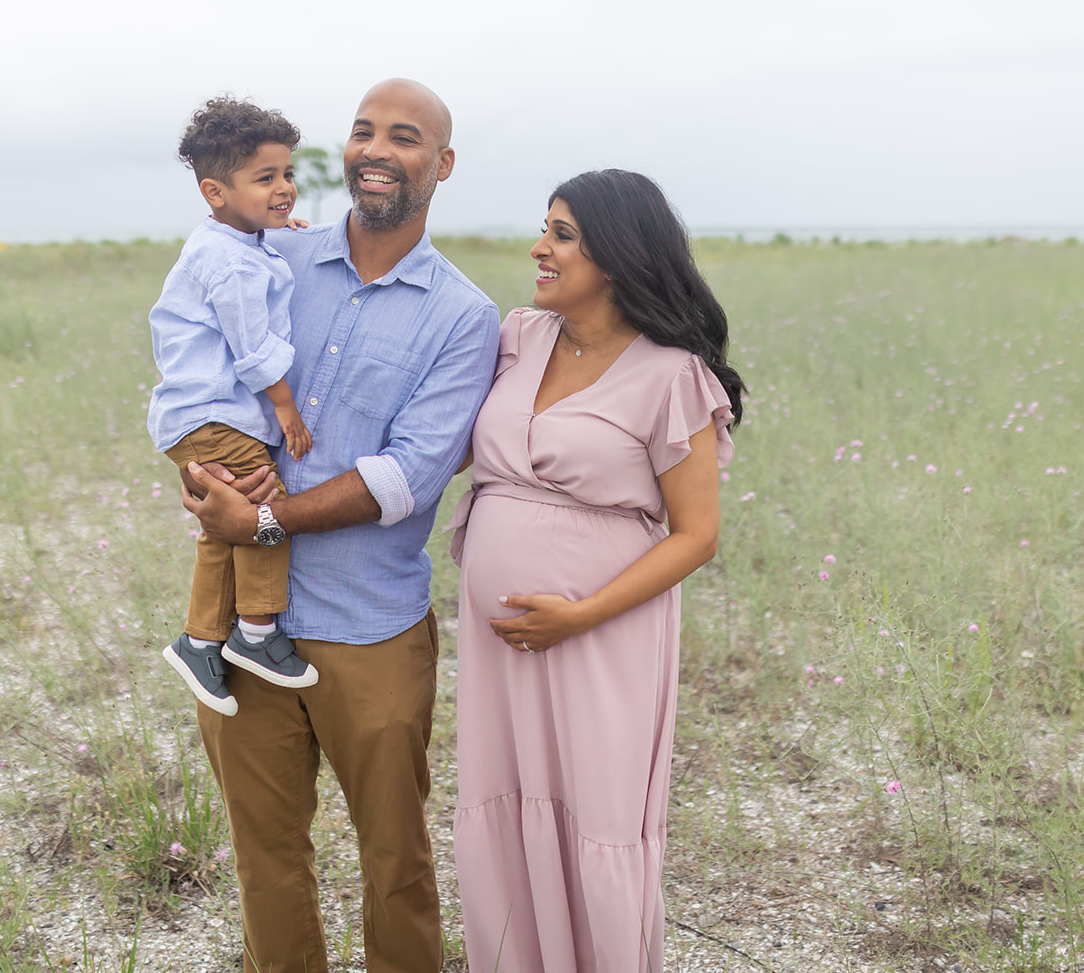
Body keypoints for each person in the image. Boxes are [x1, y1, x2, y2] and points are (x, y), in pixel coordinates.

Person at [181, 79, 500, 973]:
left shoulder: (463, 316)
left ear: (440, 165)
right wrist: (204, 477)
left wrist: (262, 517)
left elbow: (407, 475)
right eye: (363, 131)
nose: (375, 149)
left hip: (373, 628)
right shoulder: (269, 258)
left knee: (396, 862)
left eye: (404, 137)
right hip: (250, 632)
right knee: (266, 858)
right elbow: (199, 372)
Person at [447, 169, 745, 972]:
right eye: (545, 227)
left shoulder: (670, 373)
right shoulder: (519, 336)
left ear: (616, 254)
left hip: (601, 634)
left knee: (596, 813)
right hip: (497, 641)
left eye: (563, 234)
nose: (539, 248)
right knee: (502, 801)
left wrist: (580, 613)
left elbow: (696, 536)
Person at [149, 97, 320, 717]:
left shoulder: (237, 244)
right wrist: (288, 410)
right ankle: (256, 634)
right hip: (216, 417)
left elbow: (258, 269)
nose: (285, 189)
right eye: (266, 178)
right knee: (263, 513)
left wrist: (277, 234)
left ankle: (199, 641)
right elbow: (252, 350)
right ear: (215, 191)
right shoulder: (230, 263)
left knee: (222, 532)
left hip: (195, 417)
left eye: (287, 175)